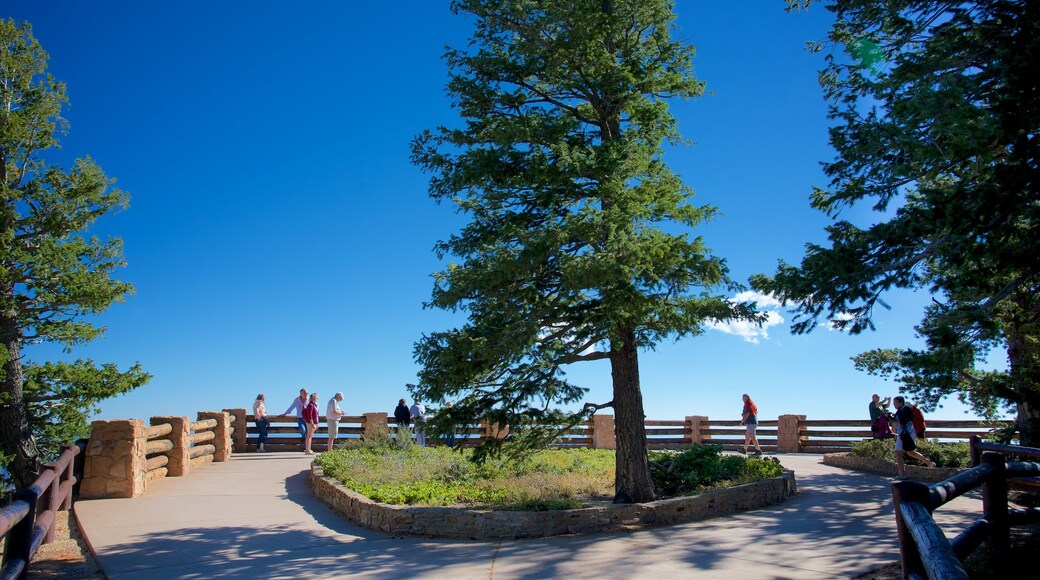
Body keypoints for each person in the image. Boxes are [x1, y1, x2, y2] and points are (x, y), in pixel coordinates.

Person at [893, 396, 935, 478]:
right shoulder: (901, 411)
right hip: (904, 434)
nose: (894, 404)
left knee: (899, 452)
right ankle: (929, 463)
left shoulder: (904, 410)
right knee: (909, 452)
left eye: (896, 402)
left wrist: (893, 420)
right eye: (894, 403)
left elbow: (903, 422)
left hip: (907, 434)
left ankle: (902, 474)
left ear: (901, 403)